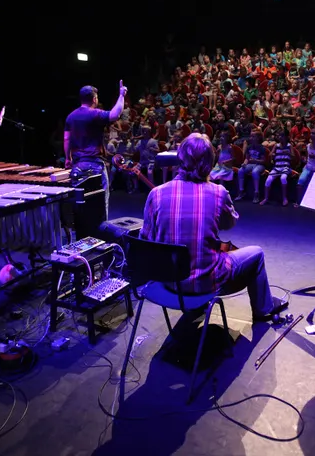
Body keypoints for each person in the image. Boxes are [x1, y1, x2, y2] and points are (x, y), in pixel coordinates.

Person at [140, 134, 286, 321]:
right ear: (210, 162)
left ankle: (196, 309)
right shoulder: (218, 192)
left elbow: (147, 239)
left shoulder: (156, 193)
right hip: (206, 282)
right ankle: (263, 309)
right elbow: (228, 224)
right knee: (256, 253)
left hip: (167, 282)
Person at [64, 81, 128, 220]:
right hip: (95, 165)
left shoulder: (70, 117)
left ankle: (82, 235)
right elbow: (114, 114)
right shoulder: (95, 114)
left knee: (80, 204)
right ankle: (101, 235)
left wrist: (68, 159)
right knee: (100, 204)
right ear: (94, 99)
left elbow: (66, 140)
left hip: (78, 166)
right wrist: (121, 95)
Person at [261, 129, 293, 206]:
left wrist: (288, 153)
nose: (280, 137)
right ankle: (266, 198)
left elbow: (293, 156)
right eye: (279, 136)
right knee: (268, 180)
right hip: (276, 167)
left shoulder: (289, 146)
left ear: (286, 137)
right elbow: (270, 154)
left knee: (283, 178)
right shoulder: (276, 145)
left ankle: (284, 198)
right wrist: (273, 154)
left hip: (286, 167)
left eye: (282, 136)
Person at [235, 131, 268, 203]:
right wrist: (244, 163)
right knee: (241, 170)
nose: (251, 138)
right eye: (251, 136)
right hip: (250, 164)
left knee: (255, 172)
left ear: (258, 138)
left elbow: (263, 161)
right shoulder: (249, 147)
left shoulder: (261, 148)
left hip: (260, 165)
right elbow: (247, 158)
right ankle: (241, 192)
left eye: (253, 136)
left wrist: (255, 160)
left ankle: (256, 193)